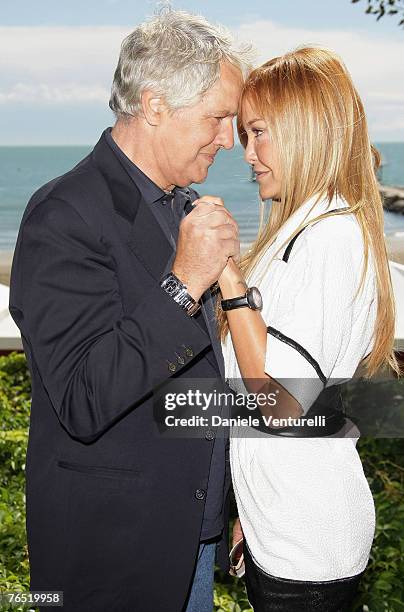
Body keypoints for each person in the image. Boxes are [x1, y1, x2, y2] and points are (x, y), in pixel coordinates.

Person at [8, 8, 250, 612]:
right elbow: (85, 397)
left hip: (190, 541)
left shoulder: (181, 206)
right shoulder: (62, 214)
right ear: (156, 105)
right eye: (219, 118)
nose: (229, 140)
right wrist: (184, 282)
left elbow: (196, 382)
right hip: (108, 558)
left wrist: (234, 502)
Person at [218, 47, 400, 611]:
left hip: (306, 539)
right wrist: (250, 504)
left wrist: (224, 270)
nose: (248, 154)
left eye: (259, 133)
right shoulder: (306, 227)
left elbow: (276, 400)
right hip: (287, 523)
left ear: (305, 131)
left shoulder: (327, 238)